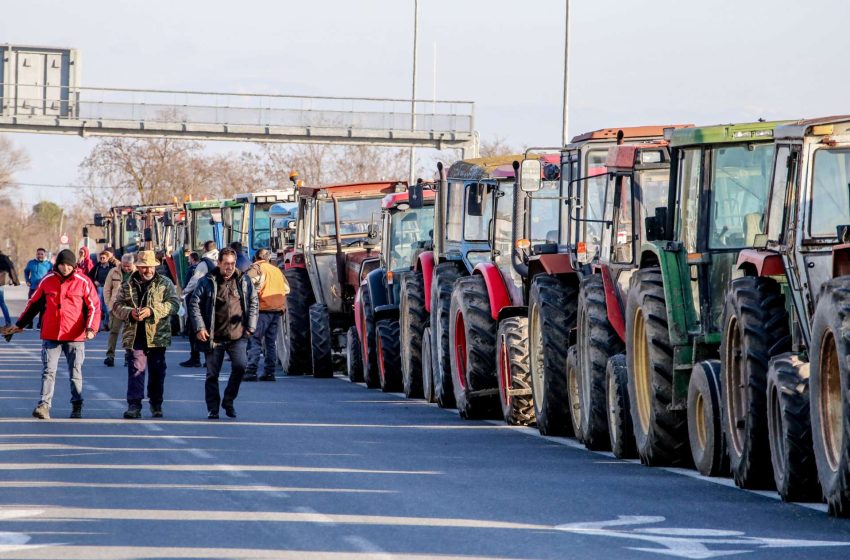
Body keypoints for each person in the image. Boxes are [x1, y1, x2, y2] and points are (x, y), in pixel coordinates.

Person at [5, 249, 100, 419]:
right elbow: (33, 304)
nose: (65, 268)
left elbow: (94, 307)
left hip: (75, 335)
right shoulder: (47, 281)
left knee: (75, 372)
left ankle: (77, 404)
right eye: (62, 264)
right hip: (51, 334)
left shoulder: (83, 282)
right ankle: (44, 405)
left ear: (73, 265)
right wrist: (19, 324)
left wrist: (91, 329)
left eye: (68, 265)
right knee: (48, 371)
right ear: (57, 265)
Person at [188, 247, 258, 419]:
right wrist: (200, 327)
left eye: (232, 263)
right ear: (219, 263)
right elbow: (194, 304)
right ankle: (213, 408)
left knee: (241, 367)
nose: (229, 267)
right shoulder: (207, 281)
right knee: (212, 374)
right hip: (214, 337)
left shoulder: (244, 280)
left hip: (238, 335)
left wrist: (251, 326)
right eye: (226, 263)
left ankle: (228, 400)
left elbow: (254, 302)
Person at [112, 251, 180, 419]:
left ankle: (156, 403)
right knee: (136, 369)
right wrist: (130, 313)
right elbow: (116, 306)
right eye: (143, 267)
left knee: (157, 371)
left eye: (150, 266)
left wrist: (152, 311)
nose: (147, 270)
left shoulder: (165, 283)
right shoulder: (127, 284)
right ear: (138, 267)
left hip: (158, 335)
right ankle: (134, 405)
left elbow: (174, 304)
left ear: (155, 267)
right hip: (135, 335)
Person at [244, 248, 289, 381]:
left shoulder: (257, 268)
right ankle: (270, 372)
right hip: (277, 309)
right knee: (270, 342)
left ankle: (251, 370)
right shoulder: (276, 270)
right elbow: (287, 289)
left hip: (262, 309)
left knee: (255, 340)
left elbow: (246, 285)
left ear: (256, 257)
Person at [179, 241, 218, 368]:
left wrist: (184, 292)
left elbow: (196, 280)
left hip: (202, 299)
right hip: (218, 299)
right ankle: (210, 358)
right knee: (213, 329)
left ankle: (195, 357)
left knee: (194, 328)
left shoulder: (204, 262)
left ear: (205, 249)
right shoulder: (222, 258)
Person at [103, 254, 136, 367]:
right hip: (116, 306)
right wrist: (109, 305)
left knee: (129, 333)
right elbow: (107, 289)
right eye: (124, 265)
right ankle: (110, 356)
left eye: (129, 266)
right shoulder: (113, 272)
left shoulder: (137, 273)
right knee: (114, 331)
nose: (126, 268)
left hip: (131, 308)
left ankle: (128, 355)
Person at [23, 248, 52, 329]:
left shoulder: (49, 264)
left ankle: (40, 324)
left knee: (43, 307)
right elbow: (26, 272)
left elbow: (52, 276)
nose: (39, 256)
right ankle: (29, 323)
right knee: (30, 306)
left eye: (41, 254)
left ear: (45, 255)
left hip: (43, 290)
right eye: (38, 254)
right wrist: (27, 280)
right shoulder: (31, 263)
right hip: (33, 288)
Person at [89, 249, 116, 331]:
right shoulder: (97, 267)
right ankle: (98, 326)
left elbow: (117, 276)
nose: (102, 259)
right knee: (99, 307)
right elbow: (90, 275)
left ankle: (106, 323)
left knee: (108, 308)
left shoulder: (112, 267)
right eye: (101, 258)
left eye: (103, 258)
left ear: (107, 258)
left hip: (109, 289)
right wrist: (94, 281)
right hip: (100, 288)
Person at [0, 249, 19, 327]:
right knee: (2, 304)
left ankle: (8, 323)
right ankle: (8, 323)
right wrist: (13, 280)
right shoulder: (4, 258)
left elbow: (10, 268)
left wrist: (13, 280)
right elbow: (10, 267)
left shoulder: (3, 258)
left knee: (2, 303)